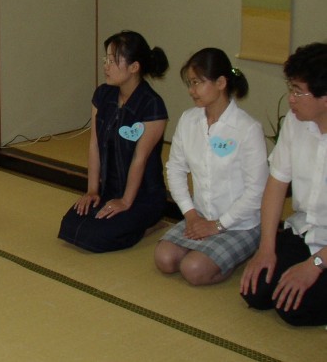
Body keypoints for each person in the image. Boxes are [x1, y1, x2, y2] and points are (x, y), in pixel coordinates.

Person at [154, 48, 268, 285]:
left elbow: (256, 191)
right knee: (164, 258)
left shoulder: (247, 129)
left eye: (197, 82)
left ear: (221, 83)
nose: (191, 90)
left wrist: (218, 225)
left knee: (193, 269)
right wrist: (190, 214)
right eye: (190, 83)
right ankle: (209, 249)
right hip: (200, 216)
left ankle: (240, 252)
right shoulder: (188, 120)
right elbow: (175, 168)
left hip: (240, 223)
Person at [240, 42, 327, 326]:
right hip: (305, 229)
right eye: (291, 88)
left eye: (298, 91)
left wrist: (315, 264)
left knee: (294, 310)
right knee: (257, 292)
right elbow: (276, 185)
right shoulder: (295, 122)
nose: (291, 99)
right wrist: (266, 248)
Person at [58, 30, 169, 252]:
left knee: (98, 238)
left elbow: (139, 159)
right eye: (105, 60)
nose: (106, 66)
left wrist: (126, 201)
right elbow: (94, 144)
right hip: (109, 189)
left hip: (142, 195)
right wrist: (92, 190)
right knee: (70, 226)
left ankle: (150, 224)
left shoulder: (152, 105)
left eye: (113, 61)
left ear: (134, 67)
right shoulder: (103, 95)